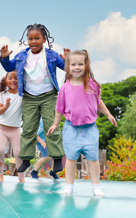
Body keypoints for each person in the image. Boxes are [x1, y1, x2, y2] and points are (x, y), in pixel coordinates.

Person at [0, 23, 70, 173]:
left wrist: (68, 59)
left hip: (49, 95)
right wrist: (4, 58)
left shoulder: (51, 55)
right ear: (27, 40)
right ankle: (25, 159)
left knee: (51, 126)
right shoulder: (21, 56)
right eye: (30, 39)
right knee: (29, 128)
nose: (33, 41)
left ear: (44, 39)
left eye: (37, 38)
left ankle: (56, 158)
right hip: (29, 97)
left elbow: (66, 68)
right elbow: (8, 67)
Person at [47, 50, 117, 196]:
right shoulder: (65, 88)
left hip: (90, 129)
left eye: (80, 64)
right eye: (73, 64)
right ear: (68, 66)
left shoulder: (93, 85)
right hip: (71, 129)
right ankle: (69, 187)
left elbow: (99, 103)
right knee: (71, 159)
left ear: (86, 65)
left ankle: (96, 187)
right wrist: (55, 124)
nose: (76, 67)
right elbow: (59, 108)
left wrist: (109, 114)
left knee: (93, 159)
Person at [0, 70, 24, 182]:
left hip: (16, 129)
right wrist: (6, 105)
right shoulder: (2, 95)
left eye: (16, 78)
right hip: (1, 129)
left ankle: (21, 177)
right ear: (6, 81)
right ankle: (0, 174)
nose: (13, 80)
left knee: (18, 152)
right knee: (0, 150)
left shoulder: (22, 95)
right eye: (10, 78)